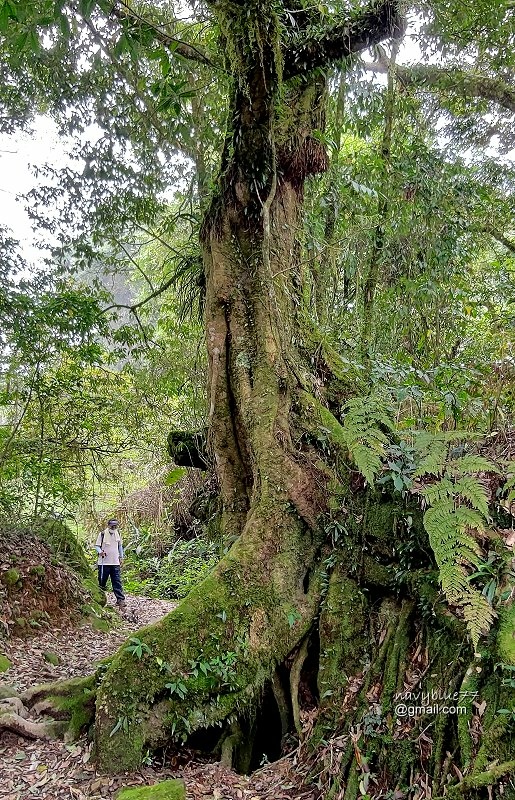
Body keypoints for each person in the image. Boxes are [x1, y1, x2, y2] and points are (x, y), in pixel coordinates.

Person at [94, 518, 126, 611]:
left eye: (115, 525)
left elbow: (120, 546)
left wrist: (121, 557)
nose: (114, 527)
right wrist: (100, 552)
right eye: (112, 525)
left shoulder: (117, 534)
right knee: (102, 581)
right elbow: (97, 546)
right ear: (108, 525)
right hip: (104, 562)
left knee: (117, 581)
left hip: (115, 562)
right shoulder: (102, 534)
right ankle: (100, 599)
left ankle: (120, 600)